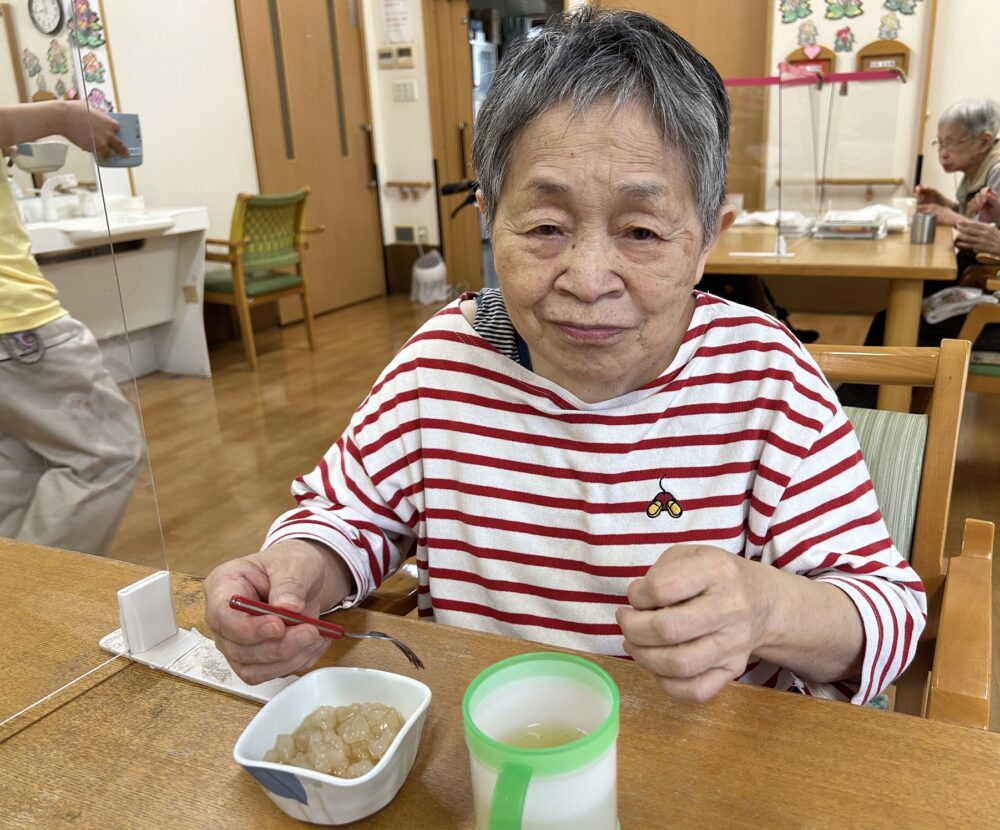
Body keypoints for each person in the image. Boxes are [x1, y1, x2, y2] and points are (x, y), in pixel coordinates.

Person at [205, 8, 924, 706]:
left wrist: (769, 608)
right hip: (482, 758)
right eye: (546, 225)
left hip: (703, 770)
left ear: (709, 236)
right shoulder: (443, 363)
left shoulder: (767, 380)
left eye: (641, 232)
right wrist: (295, 572)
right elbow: (346, 519)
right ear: (490, 221)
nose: (586, 279)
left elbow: (887, 617)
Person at [0, 100, 145, 554]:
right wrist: (64, 116)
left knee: (17, 465)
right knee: (109, 453)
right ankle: (28, 598)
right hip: (14, 320)